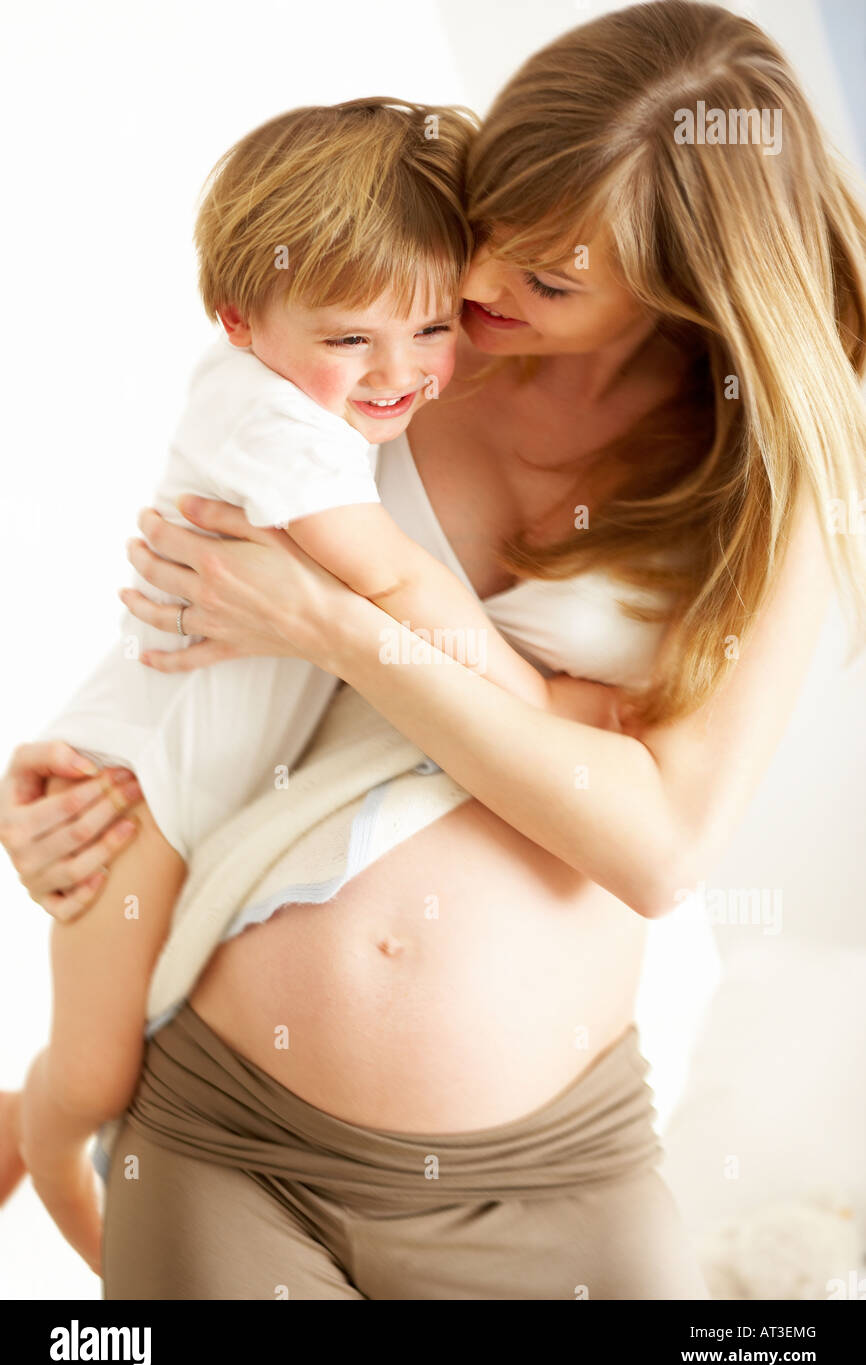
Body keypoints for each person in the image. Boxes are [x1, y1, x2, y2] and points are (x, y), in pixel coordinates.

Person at [2, 0, 865, 1298]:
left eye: (550, 280)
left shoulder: (775, 466)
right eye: (486, 233)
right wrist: (80, 774)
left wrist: (334, 625)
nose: (476, 289)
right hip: (235, 1115)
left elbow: (657, 846)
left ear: (684, 282)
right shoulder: (389, 339)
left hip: (559, 1159)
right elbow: (200, 642)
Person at [0, 98, 556, 1273]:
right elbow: (393, 580)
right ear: (239, 321)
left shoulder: (312, 386)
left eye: (427, 326)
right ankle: (38, 1142)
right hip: (137, 783)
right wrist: (523, 695)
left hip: (214, 777)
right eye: (351, 338)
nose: (400, 373)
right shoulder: (266, 419)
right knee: (97, 1068)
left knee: (135, 1030)